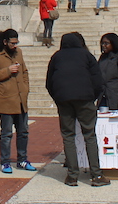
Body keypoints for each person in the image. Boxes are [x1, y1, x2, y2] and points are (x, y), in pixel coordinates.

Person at [46, 32, 110, 187]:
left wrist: (58, 98)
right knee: (89, 135)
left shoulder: (56, 57)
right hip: (85, 99)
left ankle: (72, 175)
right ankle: (96, 175)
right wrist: (92, 97)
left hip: (64, 100)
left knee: (68, 136)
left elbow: (49, 82)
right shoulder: (86, 56)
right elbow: (97, 80)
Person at [0, 29, 35, 174]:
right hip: (5, 100)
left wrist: (25, 88)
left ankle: (22, 159)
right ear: (4, 42)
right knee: (6, 133)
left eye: (17, 43)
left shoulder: (19, 53)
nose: (15, 46)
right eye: (12, 43)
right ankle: (5, 162)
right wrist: (7, 70)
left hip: (20, 99)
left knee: (23, 132)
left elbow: (24, 71)